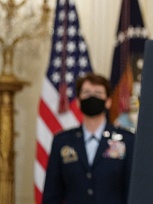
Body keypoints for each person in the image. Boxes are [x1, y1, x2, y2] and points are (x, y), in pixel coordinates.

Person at [43, 74, 135, 204]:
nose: (92, 97)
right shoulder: (62, 141)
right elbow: (52, 194)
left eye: (98, 93)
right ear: (79, 101)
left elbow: (132, 190)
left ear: (108, 101)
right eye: (86, 93)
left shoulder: (127, 140)